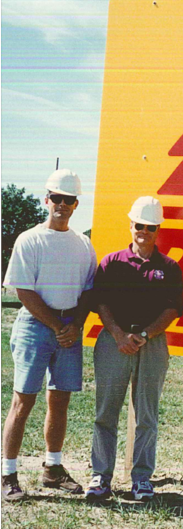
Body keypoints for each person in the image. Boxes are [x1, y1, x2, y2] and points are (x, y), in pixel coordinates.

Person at [1, 169, 97, 502]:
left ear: (76, 204)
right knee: (22, 401)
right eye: (56, 198)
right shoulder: (30, 239)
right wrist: (57, 326)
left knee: (60, 400)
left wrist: (75, 324)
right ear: (47, 199)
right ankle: (8, 474)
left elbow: (88, 291)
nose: (62, 204)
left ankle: (52, 469)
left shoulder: (83, 244)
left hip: (69, 327)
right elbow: (24, 291)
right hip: (36, 325)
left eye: (69, 200)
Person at [85, 196, 183, 501]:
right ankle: (101, 476)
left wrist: (144, 333)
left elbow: (172, 309)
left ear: (158, 229)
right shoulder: (111, 263)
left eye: (150, 227)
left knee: (147, 415)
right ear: (131, 226)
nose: (144, 231)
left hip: (151, 344)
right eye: (139, 225)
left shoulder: (169, 267)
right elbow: (100, 302)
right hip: (114, 341)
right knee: (106, 412)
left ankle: (141, 479)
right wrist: (117, 333)